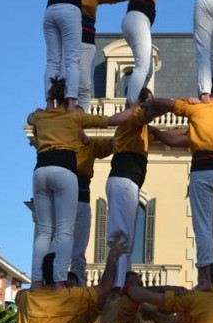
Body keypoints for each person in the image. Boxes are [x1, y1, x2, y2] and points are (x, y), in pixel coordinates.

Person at [26, 76, 130, 286]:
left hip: (40, 169)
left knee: (45, 231)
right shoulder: (75, 119)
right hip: (64, 170)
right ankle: (59, 280)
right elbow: (113, 120)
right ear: (71, 101)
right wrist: (135, 110)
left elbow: (31, 120)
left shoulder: (40, 116)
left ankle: (37, 281)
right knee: (65, 230)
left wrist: (48, 105)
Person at [143, 92, 213, 291]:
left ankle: (204, 278)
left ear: (207, 95)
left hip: (203, 169)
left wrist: (143, 107)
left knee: (202, 227)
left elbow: (164, 102)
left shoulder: (198, 109)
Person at [30, 0, 133, 106]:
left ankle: (81, 118)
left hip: (86, 42)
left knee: (84, 85)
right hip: (68, 37)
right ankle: (60, 110)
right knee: (62, 80)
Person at [105, 94, 154, 288]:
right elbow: (152, 112)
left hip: (126, 182)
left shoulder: (139, 127)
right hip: (124, 181)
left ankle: (121, 279)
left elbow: (162, 133)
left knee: (126, 238)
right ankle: (118, 286)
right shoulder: (133, 118)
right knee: (123, 239)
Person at [121, 0, 173, 105]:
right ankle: (130, 105)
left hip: (138, 20)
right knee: (142, 66)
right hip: (137, 18)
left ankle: (136, 101)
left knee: (148, 71)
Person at [71, 134, 114, 283]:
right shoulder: (60, 138)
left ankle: (78, 283)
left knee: (78, 248)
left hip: (81, 196)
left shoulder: (91, 143)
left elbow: (113, 143)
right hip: (67, 195)